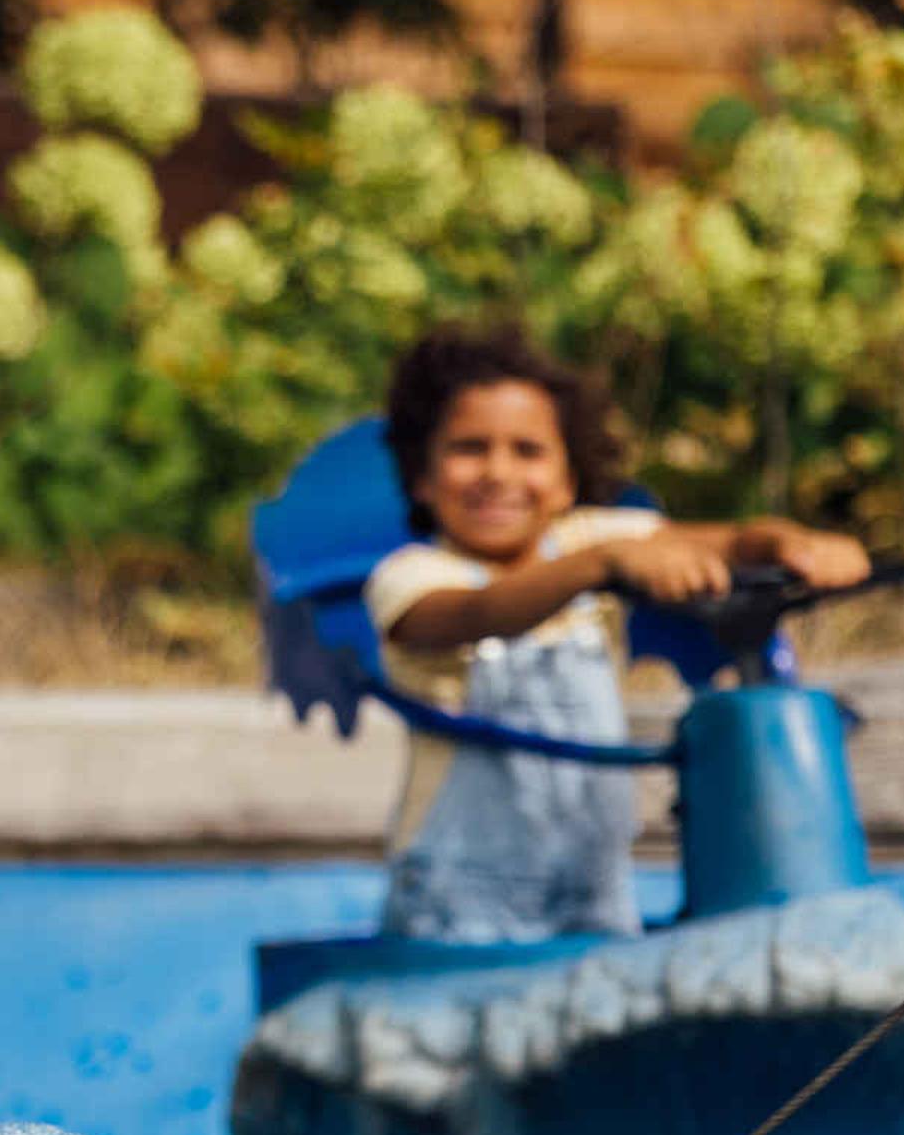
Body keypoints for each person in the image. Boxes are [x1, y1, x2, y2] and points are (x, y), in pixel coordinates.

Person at [364, 323, 868, 944]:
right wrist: (604, 565)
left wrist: (791, 543)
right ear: (421, 474)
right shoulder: (413, 576)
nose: (498, 472)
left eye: (528, 451)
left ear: (568, 478)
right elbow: (475, 614)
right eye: (469, 448)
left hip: (593, 885)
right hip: (460, 902)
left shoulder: (591, 538)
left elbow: (732, 541)